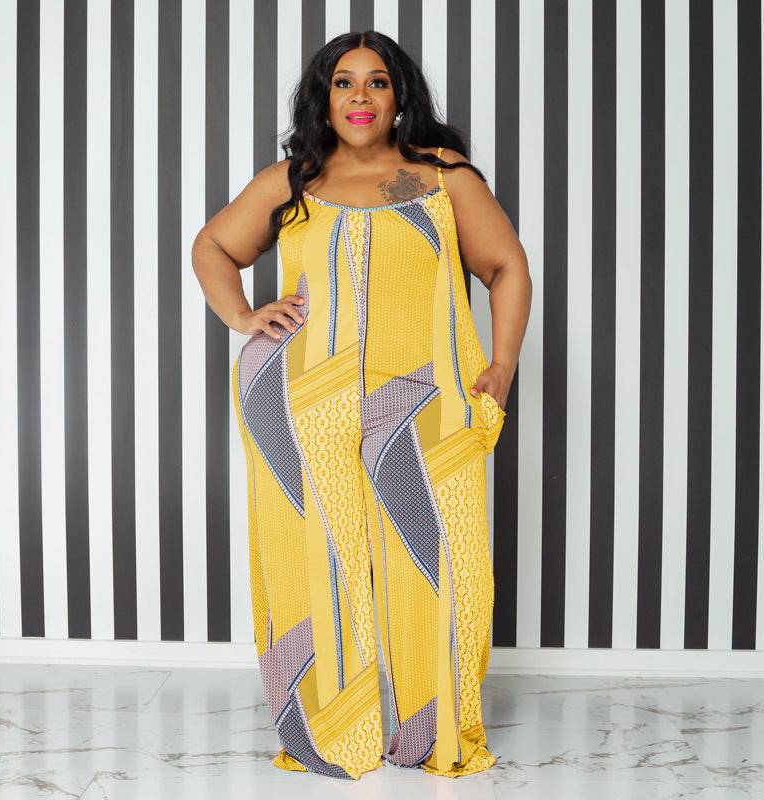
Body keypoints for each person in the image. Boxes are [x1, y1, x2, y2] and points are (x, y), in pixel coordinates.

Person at [191, 30, 531, 780]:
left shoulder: (439, 176)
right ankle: (328, 737)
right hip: (302, 395)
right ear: (324, 98)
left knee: (444, 561)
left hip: (428, 393)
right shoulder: (294, 181)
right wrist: (244, 316)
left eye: (377, 82)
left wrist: (502, 364)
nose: (360, 97)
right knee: (314, 560)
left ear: (399, 95)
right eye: (343, 83)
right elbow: (212, 246)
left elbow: (507, 266)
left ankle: (434, 735)